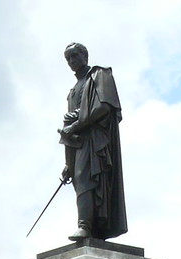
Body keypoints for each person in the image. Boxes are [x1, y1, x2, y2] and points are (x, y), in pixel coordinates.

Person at [58, 43, 127, 242]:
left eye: (74, 56)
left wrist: (76, 124)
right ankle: (90, 225)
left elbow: (104, 106)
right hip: (78, 143)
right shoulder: (72, 91)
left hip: (95, 141)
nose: (71, 61)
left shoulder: (99, 75)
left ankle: (85, 226)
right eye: (68, 58)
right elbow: (69, 127)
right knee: (80, 180)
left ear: (85, 56)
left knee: (85, 179)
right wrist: (67, 163)